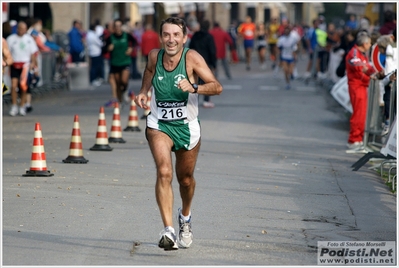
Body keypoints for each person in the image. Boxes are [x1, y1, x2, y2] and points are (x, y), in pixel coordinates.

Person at [134, 17, 222, 251]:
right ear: (161, 36)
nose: (171, 39)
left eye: (176, 35)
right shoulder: (155, 55)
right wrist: (144, 91)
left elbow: (216, 86)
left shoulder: (191, 58)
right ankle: (168, 231)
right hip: (159, 123)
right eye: (166, 35)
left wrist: (194, 87)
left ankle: (185, 217)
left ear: (184, 38)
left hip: (187, 126)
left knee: (185, 179)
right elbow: (149, 71)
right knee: (164, 172)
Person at [345, 31, 377, 153]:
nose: (370, 45)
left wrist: (371, 72)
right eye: (369, 43)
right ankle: (353, 140)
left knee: (362, 114)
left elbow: (367, 69)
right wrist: (370, 76)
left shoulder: (362, 54)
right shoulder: (354, 54)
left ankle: (358, 139)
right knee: (358, 114)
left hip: (362, 87)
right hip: (356, 86)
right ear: (364, 43)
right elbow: (359, 71)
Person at [6, 21, 38, 116]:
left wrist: (33, 64)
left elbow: (33, 53)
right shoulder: (11, 39)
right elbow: (7, 52)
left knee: (23, 87)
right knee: (13, 86)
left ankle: (22, 105)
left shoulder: (29, 39)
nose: (22, 31)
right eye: (20, 29)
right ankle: (14, 105)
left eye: (24, 29)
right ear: (17, 29)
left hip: (25, 66)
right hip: (15, 64)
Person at [103, 18, 137, 107]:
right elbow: (103, 50)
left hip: (125, 61)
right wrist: (108, 48)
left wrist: (131, 48)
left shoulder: (127, 35)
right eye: (116, 26)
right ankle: (120, 101)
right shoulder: (110, 38)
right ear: (114, 27)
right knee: (118, 84)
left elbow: (134, 42)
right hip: (115, 63)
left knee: (124, 80)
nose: (118, 28)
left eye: (119, 26)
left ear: (121, 26)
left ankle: (126, 91)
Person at [189, 20, 217, 108]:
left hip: (194, 61)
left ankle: (193, 100)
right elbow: (212, 51)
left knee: (195, 81)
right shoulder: (209, 37)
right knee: (208, 81)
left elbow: (190, 48)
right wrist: (214, 63)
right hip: (206, 62)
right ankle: (206, 100)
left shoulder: (195, 36)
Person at [277, 25, 300, 90]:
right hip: (284, 56)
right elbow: (278, 46)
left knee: (290, 71)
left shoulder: (293, 38)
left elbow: (297, 45)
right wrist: (279, 53)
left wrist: (295, 52)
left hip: (291, 56)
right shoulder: (282, 39)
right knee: (285, 70)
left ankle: (292, 74)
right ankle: (288, 83)